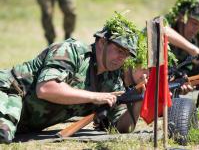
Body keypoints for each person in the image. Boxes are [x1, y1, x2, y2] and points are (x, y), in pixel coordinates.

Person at [0, 13, 141, 143]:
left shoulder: (113, 79)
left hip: (25, 123)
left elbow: (122, 128)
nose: (122, 58)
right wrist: (96, 97)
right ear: (102, 42)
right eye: (119, 50)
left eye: (126, 54)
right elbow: (45, 88)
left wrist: (139, 98)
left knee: (5, 136)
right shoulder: (71, 51)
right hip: (10, 91)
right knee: (2, 134)